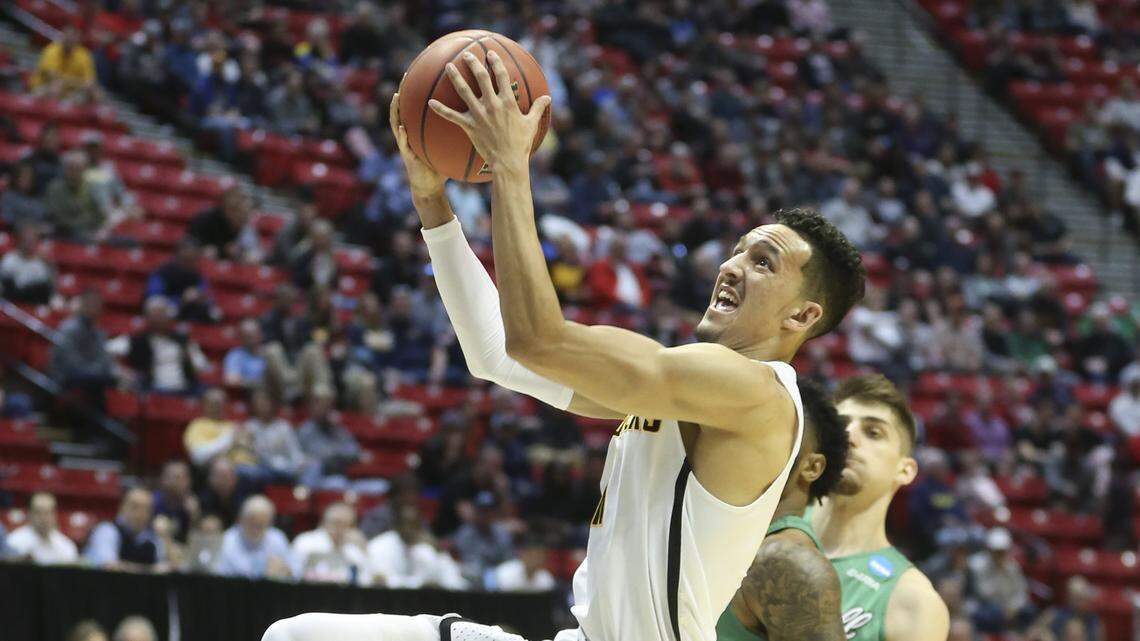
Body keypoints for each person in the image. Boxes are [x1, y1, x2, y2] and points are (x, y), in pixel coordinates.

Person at [263, 57, 865, 641]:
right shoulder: (690, 386)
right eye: (738, 250)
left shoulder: (756, 392)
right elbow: (499, 354)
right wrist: (433, 205)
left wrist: (509, 167)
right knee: (297, 634)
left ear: (803, 315)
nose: (732, 266)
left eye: (763, 263)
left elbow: (538, 339)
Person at [713, 377, 850, 640]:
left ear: (811, 467)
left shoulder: (788, 561)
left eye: (775, 429)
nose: (754, 437)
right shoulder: (728, 539)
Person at [108, 297, 208, 394]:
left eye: (163, 314)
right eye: (156, 315)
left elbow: (201, 366)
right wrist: (122, 370)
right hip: (150, 389)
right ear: (148, 317)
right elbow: (106, 351)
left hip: (185, 389)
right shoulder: (137, 340)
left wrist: (190, 358)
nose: (160, 319)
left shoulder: (184, 341)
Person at [366, 503, 467, 590]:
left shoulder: (428, 545)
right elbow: (382, 579)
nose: (409, 529)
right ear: (397, 525)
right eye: (406, 524)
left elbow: (452, 580)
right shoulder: (380, 545)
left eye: (414, 524)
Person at [85, 487, 165, 571]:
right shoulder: (107, 530)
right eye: (135, 507)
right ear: (122, 507)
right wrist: (150, 570)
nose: (140, 514)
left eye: (146, 509)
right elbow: (109, 567)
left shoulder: (153, 538)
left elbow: (168, 567)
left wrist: (166, 538)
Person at [291, 502, 370, 586]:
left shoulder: (355, 547)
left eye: (346, 524)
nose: (340, 529)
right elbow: (294, 574)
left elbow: (366, 580)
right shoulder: (305, 542)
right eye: (336, 523)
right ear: (323, 522)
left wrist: (364, 549)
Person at [215, 495, 293, 579]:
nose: (256, 530)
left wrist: (283, 570)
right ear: (241, 520)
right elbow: (219, 573)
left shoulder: (277, 539)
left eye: (261, 525)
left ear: (270, 523)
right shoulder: (227, 540)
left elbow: (294, 574)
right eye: (252, 524)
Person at [969, 527, 1032, 632]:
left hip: (1009, 607)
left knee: (1029, 610)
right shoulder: (977, 565)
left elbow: (1021, 592)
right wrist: (999, 572)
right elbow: (984, 593)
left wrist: (1013, 607)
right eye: (997, 551)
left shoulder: (1013, 567)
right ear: (989, 550)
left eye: (1002, 551)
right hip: (986, 606)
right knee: (994, 611)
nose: (999, 555)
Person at [296, 385, 362, 482]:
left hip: (337, 476)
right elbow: (312, 457)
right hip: (314, 478)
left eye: (328, 405)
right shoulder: (305, 430)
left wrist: (333, 452)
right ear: (312, 406)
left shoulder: (337, 429)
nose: (326, 409)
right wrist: (336, 453)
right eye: (321, 405)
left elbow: (354, 451)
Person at [452, 491, 515, 588]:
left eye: (489, 510)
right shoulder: (465, 533)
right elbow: (467, 562)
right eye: (482, 510)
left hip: (498, 578)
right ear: (476, 512)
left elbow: (508, 561)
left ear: (494, 512)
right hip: (470, 577)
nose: (486, 514)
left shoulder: (502, 533)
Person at [182, 387, 256, 470]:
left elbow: (251, 451)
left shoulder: (235, 426)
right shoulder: (197, 425)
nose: (220, 406)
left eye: (223, 402)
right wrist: (230, 438)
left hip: (252, 466)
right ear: (205, 405)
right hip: (224, 469)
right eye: (215, 403)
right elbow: (198, 455)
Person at [245, 388, 309, 482]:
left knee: (310, 467)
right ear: (255, 405)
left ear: (273, 404)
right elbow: (250, 455)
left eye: (266, 401)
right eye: (260, 402)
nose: (263, 405)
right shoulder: (249, 427)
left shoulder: (284, 427)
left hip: (285, 468)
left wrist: (301, 462)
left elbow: (294, 452)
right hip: (261, 469)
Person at [145, 240, 215, 323]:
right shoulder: (163, 272)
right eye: (186, 260)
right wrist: (181, 300)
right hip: (167, 309)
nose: (190, 264)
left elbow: (207, 296)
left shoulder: (197, 275)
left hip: (190, 311)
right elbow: (154, 298)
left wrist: (201, 298)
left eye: (193, 260)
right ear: (178, 257)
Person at [187, 185, 261, 262]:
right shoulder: (206, 219)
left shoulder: (246, 227)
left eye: (245, 215)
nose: (243, 218)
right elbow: (189, 248)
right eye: (237, 210)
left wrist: (249, 255)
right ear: (228, 210)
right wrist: (218, 250)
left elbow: (253, 251)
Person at [6, 492, 79, 565]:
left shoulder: (66, 546)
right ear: (29, 514)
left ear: (55, 515)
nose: (43, 518)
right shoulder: (14, 542)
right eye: (38, 512)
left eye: (48, 513)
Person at [45, 150, 102, 241]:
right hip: (62, 234)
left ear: (84, 170)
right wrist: (86, 219)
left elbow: (98, 215)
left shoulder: (91, 189)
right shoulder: (55, 188)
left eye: (78, 169)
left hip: (88, 233)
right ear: (65, 169)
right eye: (71, 168)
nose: (74, 173)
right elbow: (59, 219)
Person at [30, 26, 98, 102]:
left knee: (95, 93)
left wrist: (80, 85)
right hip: (45, 86)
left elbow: (89, 82)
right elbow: (53, 77)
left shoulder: (84, 55)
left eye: (73, 38)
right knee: (56, 86)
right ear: (63, 37)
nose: (70, 40)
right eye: (68, 37)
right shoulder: (51, 50)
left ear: (77, 40)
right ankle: (51, 111)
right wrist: (78, 82)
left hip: (70, 91)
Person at [0, 224, 55, 304]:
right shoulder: (9, 259)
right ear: (19, 241)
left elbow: (46, 291)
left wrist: (50, 264)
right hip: (10, 303)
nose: (28, 244)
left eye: (31, 241)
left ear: (36, 242)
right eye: (25, 240)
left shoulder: (41, 264)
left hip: (32, 304)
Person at [490, 533, 556, 593]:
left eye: (540, 556)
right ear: (523, 554)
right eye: (532, 554)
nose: (536, 559)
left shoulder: (546, 578)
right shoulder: (504, 571)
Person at [151, 460, 198, 543]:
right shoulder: (153, 501)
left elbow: (194, 539)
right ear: (163, 479)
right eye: (170, 477)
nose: (175, 482)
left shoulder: (191, 503)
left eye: (181, 478)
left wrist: (194, 517)